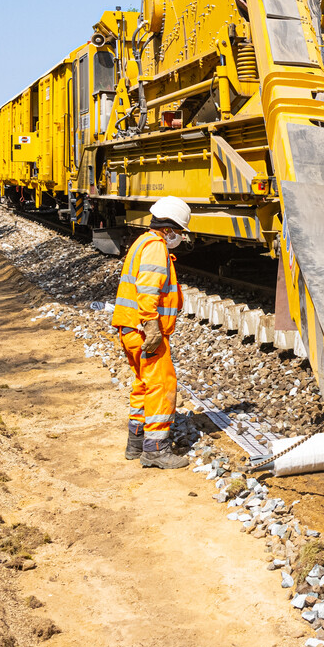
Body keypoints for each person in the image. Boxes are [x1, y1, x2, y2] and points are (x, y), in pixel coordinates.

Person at [111, 196, 191, 468]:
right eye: (178, 232)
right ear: (168, 229)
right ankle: (155, 450)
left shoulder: (141, 243)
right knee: (162, 385)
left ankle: (135, 444)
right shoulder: (156, 247)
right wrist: (152, 326)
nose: (178, 237)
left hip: (129, 327)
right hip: (145, 330)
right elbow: (148, 290)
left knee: (142, 383)